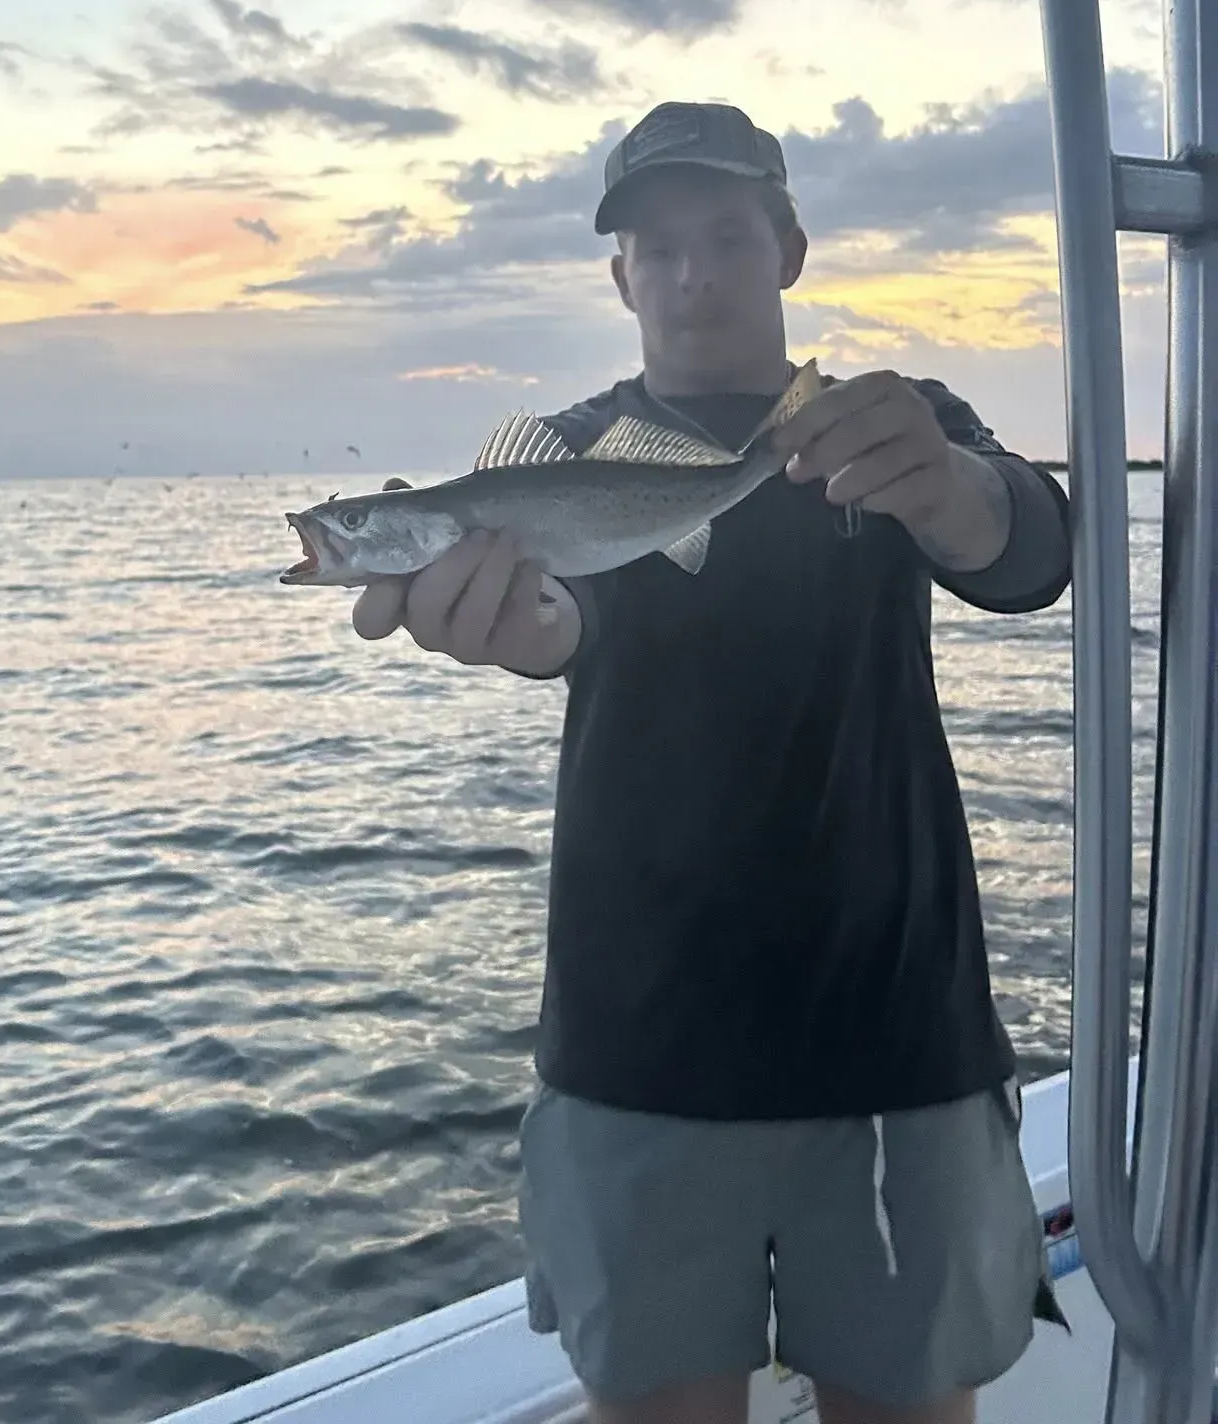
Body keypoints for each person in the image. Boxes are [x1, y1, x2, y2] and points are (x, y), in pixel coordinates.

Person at [351, 101, 1072, 1424]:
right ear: (618, 275)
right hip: (642, 1050)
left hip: (897, 1046)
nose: (693, 276)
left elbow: (1030, 549)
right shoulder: (562, 463)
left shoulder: (888, 422)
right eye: (658, 247)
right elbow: (576, 621)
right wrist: (525, 627)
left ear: (789, 250)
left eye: (728, 237)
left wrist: (946, 486)